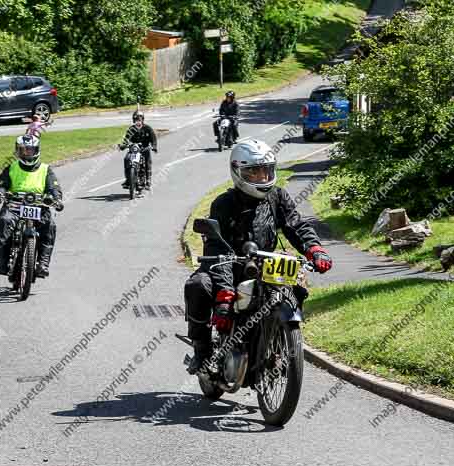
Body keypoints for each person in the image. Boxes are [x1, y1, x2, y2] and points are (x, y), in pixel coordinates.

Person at [183, 139, 332, 374]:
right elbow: (216, 247)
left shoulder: (278, 196)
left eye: (266, 171)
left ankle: (279, 339)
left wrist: (314, 249)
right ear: (238, 171)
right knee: (197, 285)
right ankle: (201, 350)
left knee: (296, 284)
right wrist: (224, 290)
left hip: (265, 264)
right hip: (228, 264)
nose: (262, 177)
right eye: (254, 172)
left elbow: (295, 224)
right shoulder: (223, 203)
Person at [0, 135, 63, 278]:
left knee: (49, 226)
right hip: (14, 205)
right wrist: (0, 194)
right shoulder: (11, 168)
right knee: (4, 222)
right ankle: (2, 262)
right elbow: (1, 185)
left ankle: (43, 264)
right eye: (23, 150)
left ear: (36, 150)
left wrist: (56, 199)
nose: (27, 153)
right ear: (18, 151)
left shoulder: (45, 169)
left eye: (30, 150)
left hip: (39, 206)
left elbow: (54, 188)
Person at [119, 111, 158, 190]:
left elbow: (153, 138)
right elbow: (126, 139)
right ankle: (128, 179)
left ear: (142, 120)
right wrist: (123, 145)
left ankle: (148, 181)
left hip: (144, 149)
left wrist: (154, 146)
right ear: (134, 120)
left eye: (139, 119)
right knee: (126, 159)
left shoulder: (147, 128)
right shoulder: (131, 129)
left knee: (147, 162)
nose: (138, 121)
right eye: (136, 120)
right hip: (134, 149)